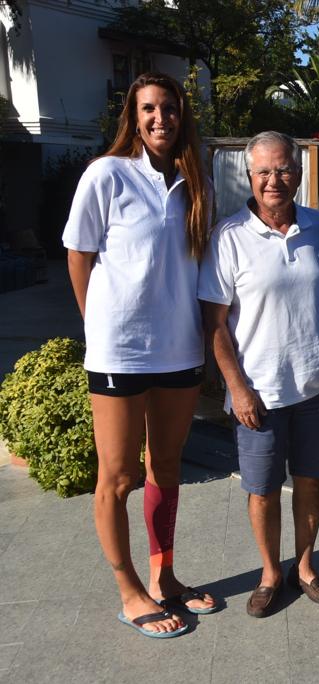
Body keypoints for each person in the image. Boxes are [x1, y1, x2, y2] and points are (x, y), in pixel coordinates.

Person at [62, 72, 217, 638]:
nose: (160, 118)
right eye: (149, 108)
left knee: (166, 467)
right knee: (119, 476)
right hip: (119, 354)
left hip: (179, 349)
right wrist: (98, 325)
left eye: (169, 108)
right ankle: (129, 588)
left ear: (182, 115)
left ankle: (163, 576)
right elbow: (78, 255)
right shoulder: (106, 173)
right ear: (134, 115)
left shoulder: (196, 183)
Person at [199, 131, 319, 618]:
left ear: (297, 174)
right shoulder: (229, 236)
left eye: (282, 170)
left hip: (315, 384)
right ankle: (269, 573)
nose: (273, 180)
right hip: (258, 391)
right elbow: (214, 324)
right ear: (249, 176)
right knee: (262, 489)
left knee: (310, 480)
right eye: (263, 171)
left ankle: (305, 567)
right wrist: (236, 388)